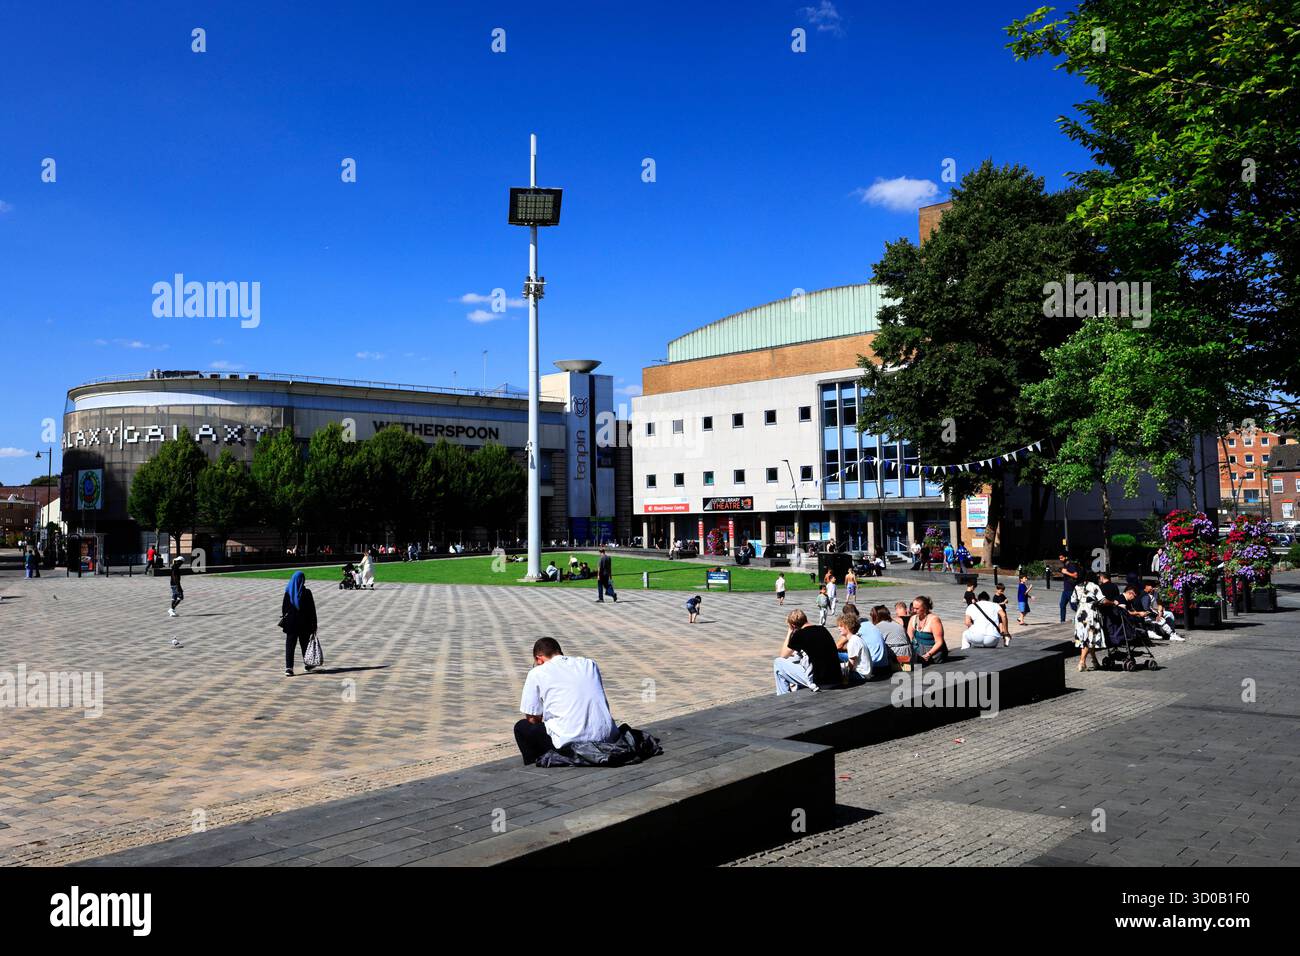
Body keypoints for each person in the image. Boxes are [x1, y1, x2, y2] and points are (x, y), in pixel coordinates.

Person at [515, 637, 619, 765]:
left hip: (571, 744)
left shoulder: (537, 673)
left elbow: (532, 719)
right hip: (608, 737)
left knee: (522, 727)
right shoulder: (589, 664)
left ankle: (536, 764)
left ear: (539, 659)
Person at [773, 609, 842, 695]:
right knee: (798, 660)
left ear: (793, 625)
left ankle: (783, 695)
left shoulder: (799, 634)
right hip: (836, 678)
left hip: (819, 681)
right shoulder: (822, 629)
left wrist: (790, 632)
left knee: (778, 663)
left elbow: (783, 655)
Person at [280, 570, 318, 677]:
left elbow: (284, 609)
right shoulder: (307, 593)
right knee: (305, 645)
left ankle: (289, 668)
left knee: (290, 646)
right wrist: (314, 624)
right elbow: (312, 610)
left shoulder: (288, 592)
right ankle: (307, 664)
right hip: (304, 624)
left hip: (291, 624)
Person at [837, 613, 891, 684]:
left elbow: (851, 665)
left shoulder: (853, 641)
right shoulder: (856, 638)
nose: (839, 628)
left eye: (841, 626)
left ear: (848, 627)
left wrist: (843, 673)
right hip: (865, 672)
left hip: (861, 674)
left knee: (833, 674)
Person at [1073, 577, 1107, 672]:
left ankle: (1095, 661)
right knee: (1089, 638)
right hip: (1090, 613)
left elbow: (1073, 600)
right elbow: (1103, 600)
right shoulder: (1094, 586)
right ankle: (1082, 662)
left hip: (1080, 613)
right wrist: (1112, 602)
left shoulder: (1077, 586)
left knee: (1085, 637)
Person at [907, 595, 947, 665]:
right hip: (918, 650)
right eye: (913, 608)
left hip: (932, 653)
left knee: (910, 665)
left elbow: (939, 642)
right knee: (900, 660)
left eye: (917, 608)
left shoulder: (934, 620)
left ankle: (911, 667)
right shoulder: (913, 618)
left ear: (925, 608)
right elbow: (909, 638)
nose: (914, 611)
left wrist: (928, 654)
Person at [1057, 553, 1081, 623]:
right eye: (1059, 558)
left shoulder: (1071, 565)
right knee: (1062, 605)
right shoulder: (1065, 564)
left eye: (1062, 558)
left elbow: (1075, 576)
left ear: (1066, 557)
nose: (1060, 559)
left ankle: (1083, 615)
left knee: (1073, 607)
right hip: (1065, 590)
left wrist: (1066, 572)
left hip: (1071, 590)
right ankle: (1062, 621)